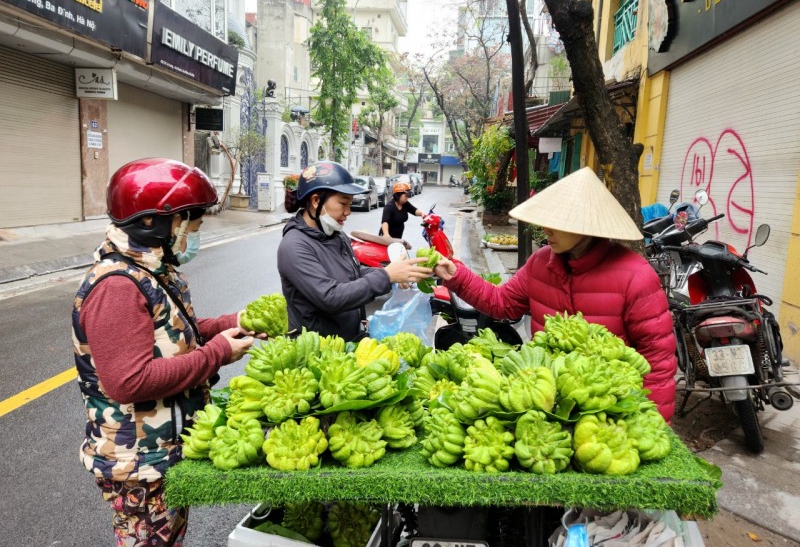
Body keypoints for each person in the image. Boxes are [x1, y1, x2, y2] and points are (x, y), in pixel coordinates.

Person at [72, 158, 258, 546]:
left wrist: (230, 323)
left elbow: (173, 333)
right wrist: (217, 353)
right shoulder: (117, 287)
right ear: (152, 223)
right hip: (138, 463)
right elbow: (128, 381)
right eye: (192, 227)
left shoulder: (149, 269)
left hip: (160, 454)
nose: (193, 237)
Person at [433, 167, 677, 422]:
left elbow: (658, 361)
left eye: (558, 222)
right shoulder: (540, 263)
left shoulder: (636, 276)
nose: (545, 229)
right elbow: (502, 303)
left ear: (586, 225)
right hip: (545, 411)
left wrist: (655, 426)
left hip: (608, 420)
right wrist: (455, 275)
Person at [277, 161, 432, 341]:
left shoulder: (336, 235)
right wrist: (386, 276)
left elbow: (354, 272)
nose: (348, 212)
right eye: (343, 203)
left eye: (350, 204)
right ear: (316, 201)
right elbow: (330, 297)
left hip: (347, 340)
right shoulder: (294, 246)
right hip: (317, 349)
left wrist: (396, 274)